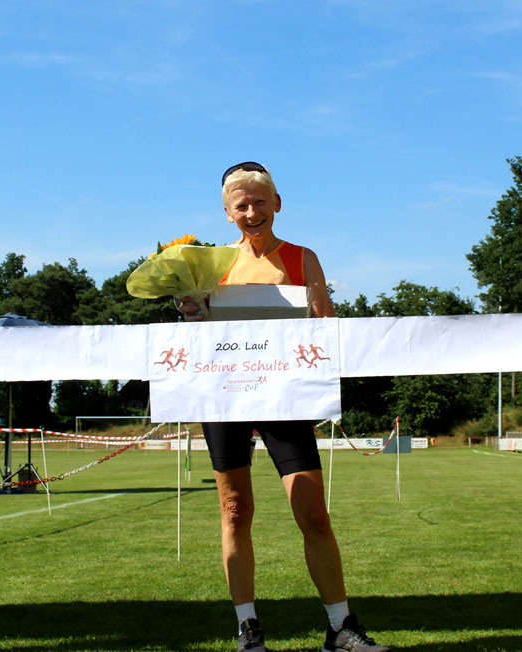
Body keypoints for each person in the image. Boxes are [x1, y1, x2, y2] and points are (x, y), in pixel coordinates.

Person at [177, 162, 388, 652]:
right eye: (241, 206)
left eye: (259, 202)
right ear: (228, 214)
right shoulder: (208, 264)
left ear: (277, 203)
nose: (252, 212)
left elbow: (326, 331)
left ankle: (341, 628)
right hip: (226, 395)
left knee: (313, 513)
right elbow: (199, 334)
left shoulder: (302, 258)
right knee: (235, 511)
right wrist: (190, 312)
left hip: (285, 397)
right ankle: (248, 630)